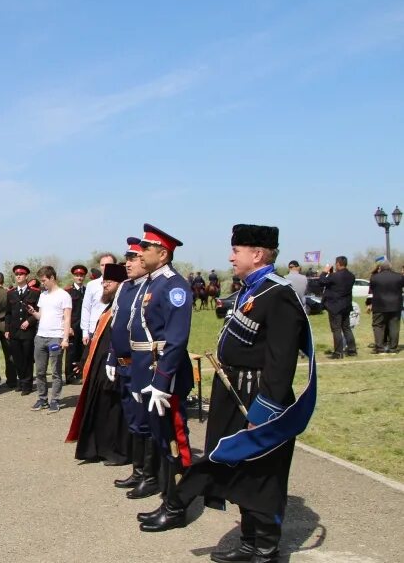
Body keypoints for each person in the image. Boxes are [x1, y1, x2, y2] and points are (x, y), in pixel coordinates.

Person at [141, 224, 317, 563]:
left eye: (236, 251)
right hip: (234, 389)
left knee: (261, 472)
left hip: (257, 394)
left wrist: (263, 413)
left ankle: (264, 549)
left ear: (257, 254)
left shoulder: (277, 293)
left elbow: (281, 364)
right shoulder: (252, 290)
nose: (230, 257)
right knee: (234, 463)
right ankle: (249, 542)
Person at [130, 224, 194, 525]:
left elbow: (176, 339)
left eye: (146, 249)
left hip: (166, 379)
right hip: (151, 375)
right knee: (160, 438)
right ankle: (168, 499)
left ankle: (177, 507)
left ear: (163, 254)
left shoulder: (174, 286)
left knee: (174, 440)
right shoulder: (154, 283)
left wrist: (161, 381)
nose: (140, 253)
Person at [110, 238, 161, 498]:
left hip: (141, 364)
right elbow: (116, 324)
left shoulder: (151, 288)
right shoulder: (125, 288)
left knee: (144, 420)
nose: (128, 263)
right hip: (122, 364)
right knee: (132, 418)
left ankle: (148, 475)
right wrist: (111, 358)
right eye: (127, 259)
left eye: (133, 258)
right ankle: (138, 469)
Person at [66, 262, 130, 464]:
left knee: (112, 409)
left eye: (109, 282)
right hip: (99, 366)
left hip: (114, 366)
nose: (104, 285)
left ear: (120, 283)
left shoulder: (124, 306)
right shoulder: (110, 307)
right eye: (104, 282)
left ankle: (115, 451)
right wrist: (84, 359)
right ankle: (97, 448)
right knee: (99, 408)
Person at [28, 265, 72, 412]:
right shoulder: (43, 295)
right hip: (40, 336)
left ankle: (55, 400)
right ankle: (42, 399)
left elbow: (67, 319)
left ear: (52, 278)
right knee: (40, 371)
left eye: (44, 280)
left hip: (56, 338)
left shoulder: (64, 296)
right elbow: (41, 316)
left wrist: (65, 338)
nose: (42, 283)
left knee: (55, 372)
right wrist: (33, 313)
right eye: (41, 281)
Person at [5, 264, 41, 395]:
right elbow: (8, 313)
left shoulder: (35, 292)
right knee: (17, 358)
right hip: (14, 331)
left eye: (21, 274)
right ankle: (21, 380)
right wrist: (7, 329)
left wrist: (29, 321)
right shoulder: (11, 293)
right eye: (17, 274)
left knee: (27, 358)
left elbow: (38, 311)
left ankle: (27, 384)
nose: (18, 276)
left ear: (26, 276)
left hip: (28, 331)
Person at [318, 256, 357, 358]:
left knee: (336, 329)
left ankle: (338, 352)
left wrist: (324, 272)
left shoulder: (335, 276)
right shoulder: (351, 276)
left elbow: (321, 282)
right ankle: (352, 350)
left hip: (335, 306)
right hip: (346, 305)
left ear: (338, 264)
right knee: (347, 328)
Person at [81, 253, 118, 349]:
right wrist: (85, 331)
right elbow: (86, 308)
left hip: (112, 329)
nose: (105, 268)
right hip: (94, 330)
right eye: (102, 265)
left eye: (108, 265)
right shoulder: (92, 285)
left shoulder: (121, 284)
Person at [369, 258, 404, 354]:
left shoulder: (374, 277)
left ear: (380, 268)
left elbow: (372, 289)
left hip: (379, 305)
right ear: (390, 267)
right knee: (394, 327)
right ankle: (393, 348)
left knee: (378, 326)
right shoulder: (399, 277)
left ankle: (380, 348)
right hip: (395, 305)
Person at [65, 264, 88, 384]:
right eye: (77, 275)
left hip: (83, 326)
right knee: (71, 351)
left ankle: (80, 374)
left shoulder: (87, 291)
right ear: (73, 276)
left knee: (83, 350)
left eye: (81, 275)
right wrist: (67, 327)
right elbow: (64, 311)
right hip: (72, 325)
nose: (79, 277)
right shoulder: (68, 291)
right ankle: (70, 376)